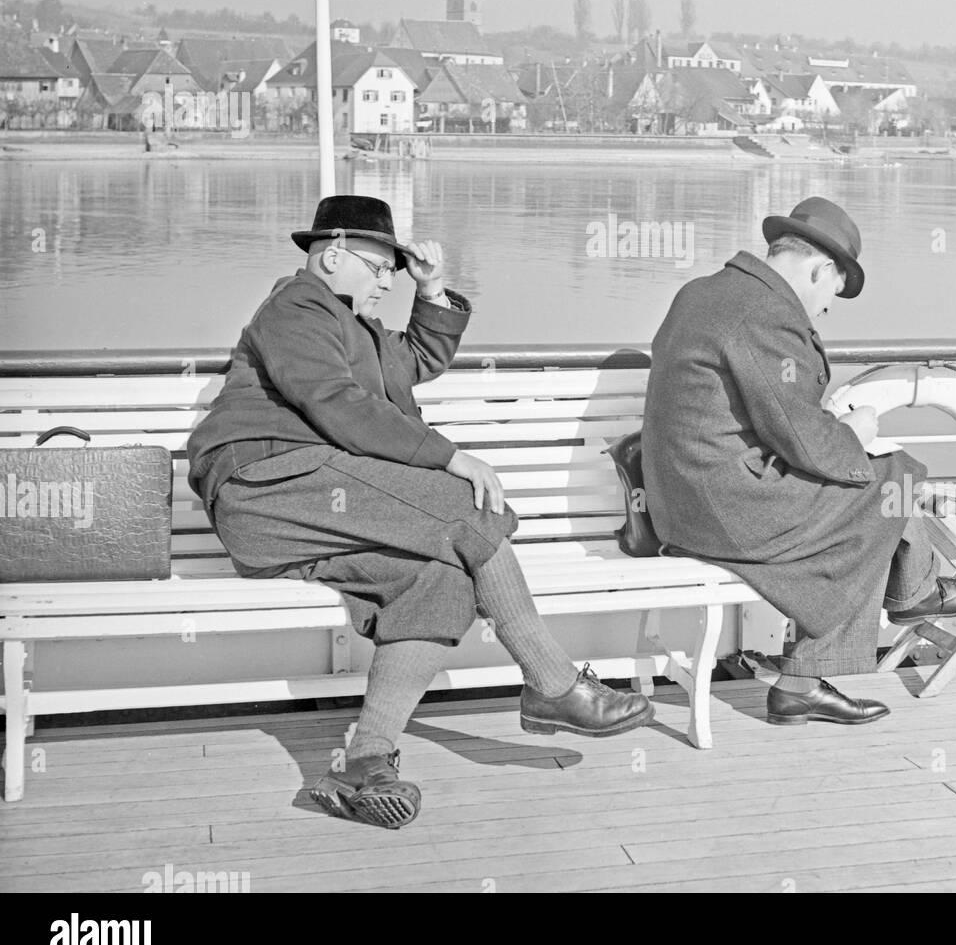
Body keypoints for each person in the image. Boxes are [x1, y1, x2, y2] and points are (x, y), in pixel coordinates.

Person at [187, 195, 653, 830]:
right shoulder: (296, 307)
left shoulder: (358, 326)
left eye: (393, 271)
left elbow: (414, 364)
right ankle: (552, 684)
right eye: (379, 266)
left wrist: (430, 289)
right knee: (465, 501)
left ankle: (362, 765)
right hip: (266, 486)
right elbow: (338, 405)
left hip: (318, 503)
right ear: (330, 257)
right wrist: (450, 458)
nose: (387, 280)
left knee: (437, 581)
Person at [641, 196, 956, 727]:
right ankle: (907, 596)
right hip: (727, 510)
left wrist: (822, 425)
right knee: (890, 478)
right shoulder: (766, 314)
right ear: (819, 268)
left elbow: (758, 412)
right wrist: (853, 429)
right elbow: (806, 444)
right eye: (832, 290)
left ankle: (890, 610)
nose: (827, 306)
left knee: (876, 488)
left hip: (683, 500)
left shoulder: (705, 293)